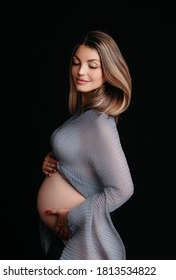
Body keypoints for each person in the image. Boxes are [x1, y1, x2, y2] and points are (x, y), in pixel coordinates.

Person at [36, 30, 134, 260]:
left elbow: (123, 190)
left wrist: (72, 216)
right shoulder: (84, 116)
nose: (81, 71)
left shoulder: (99, 123)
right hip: (68, 240)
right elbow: (83, 162)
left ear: (108, 71)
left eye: (92, 65)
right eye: (76, 63)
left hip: (81, 242)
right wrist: (55, 160)